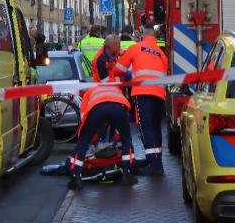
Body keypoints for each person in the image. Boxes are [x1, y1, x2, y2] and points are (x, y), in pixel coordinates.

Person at [110, 22, 168, 176]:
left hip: (143, 92)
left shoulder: (135, 48)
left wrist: (125, 75)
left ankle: (155, 166)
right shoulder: (161, 53)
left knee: (146, 127)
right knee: (156, 127)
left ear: (142, 36)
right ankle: (156, 160)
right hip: (160, 94)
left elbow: (119, 69)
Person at [68, 73, 137, 190]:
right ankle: (128, 173)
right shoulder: (115, 88)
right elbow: (121, 122)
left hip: (97, 108)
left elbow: (84, 117)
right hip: (119, 107)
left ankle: (76, 178)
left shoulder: (90, 91)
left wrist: (89, 138)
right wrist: (116, 138)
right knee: (127, 139)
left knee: (83, 142)